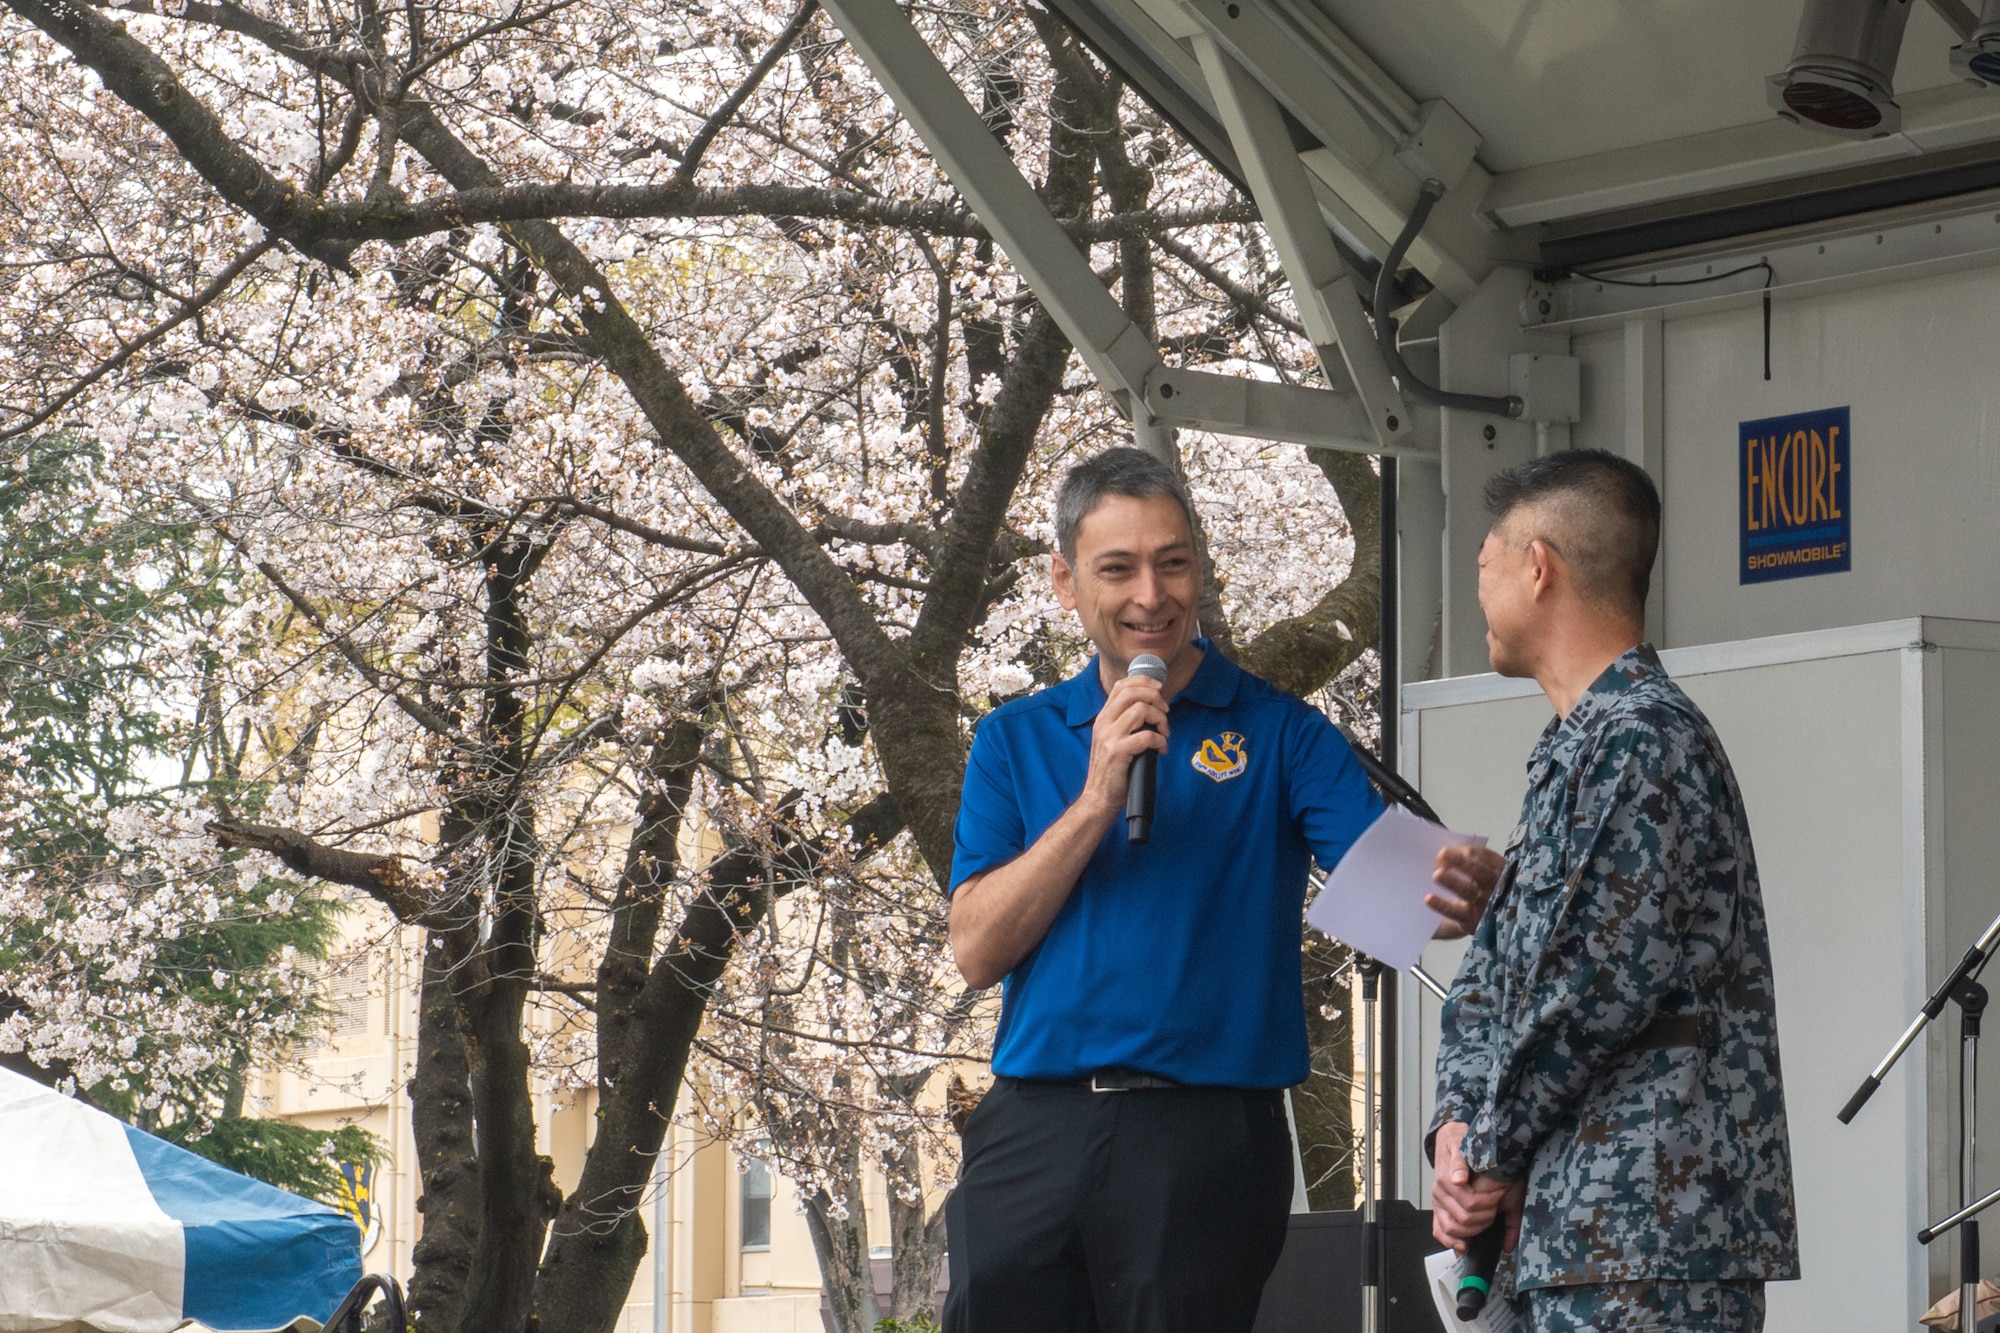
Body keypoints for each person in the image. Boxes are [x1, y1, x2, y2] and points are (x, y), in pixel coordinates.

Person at [943, 446, 1500, 1333]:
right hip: (1031, 1128)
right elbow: (975, 947)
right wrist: (1095, 800)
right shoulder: (1015, 739)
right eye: (1117, 569)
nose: (1149, 596)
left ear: (1202, 566)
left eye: (1172, 562)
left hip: (1203, 1137)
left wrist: (1459, 894)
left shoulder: (1281, 732)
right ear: (1065, 581)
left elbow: (1401, 893)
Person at [1428, 450, 1799, 1332]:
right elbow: (1495, 977)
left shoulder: (1644, 740)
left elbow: (1591, 987)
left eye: (1484, 566)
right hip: (1573, 1235)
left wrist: (1486, 1149)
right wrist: (1455, 1129)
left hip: (1654, 1240)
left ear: (1538, 566)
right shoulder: (1574, 748)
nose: (1477, 594)